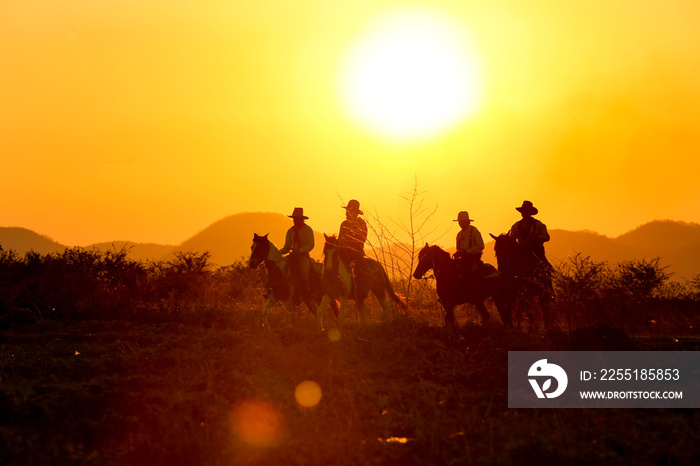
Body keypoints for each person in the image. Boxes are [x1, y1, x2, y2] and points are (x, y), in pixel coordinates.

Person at [279, 207, 315, 292]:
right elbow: (287, 246)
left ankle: (305, 288)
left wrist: (301, 250)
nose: (295, 220)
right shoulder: (290, 231)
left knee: (304, 270)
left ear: (301, 219)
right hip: (293, 256)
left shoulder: (307, 230)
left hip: (303, 257)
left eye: (297, 218)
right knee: (281, 265)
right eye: (294, 218)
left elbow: (311, 244)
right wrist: (279, 252)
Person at [509, 200, 550, 267]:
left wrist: (536, 237)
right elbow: (512, 239)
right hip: (521, 251)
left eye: (526, 211)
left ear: (530, 212)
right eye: (523, 211)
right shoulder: (516, 226)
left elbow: (546, 237)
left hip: (536, 251)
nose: (524, 213)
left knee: (544, 266)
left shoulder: (538, 224)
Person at [338, 199, 368, 278]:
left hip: (357, 252)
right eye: (347, 211)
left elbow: (363, 239)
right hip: (344, 252)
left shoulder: (361, 224)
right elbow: (340, 240)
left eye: (349, 211)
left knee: (361, 272)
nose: (347, 213)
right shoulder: (344, 224)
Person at [453, 211, 484, 278]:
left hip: (473, 259)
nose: (459, 224)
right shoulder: (458, 234)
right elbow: (458, 249)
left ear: (467, 221)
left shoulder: (474, 231)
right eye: (459, 222)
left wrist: (468, 251)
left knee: (472, 275)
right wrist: (457, 253)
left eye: (461, 222)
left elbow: (481, 246)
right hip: (462, 259)